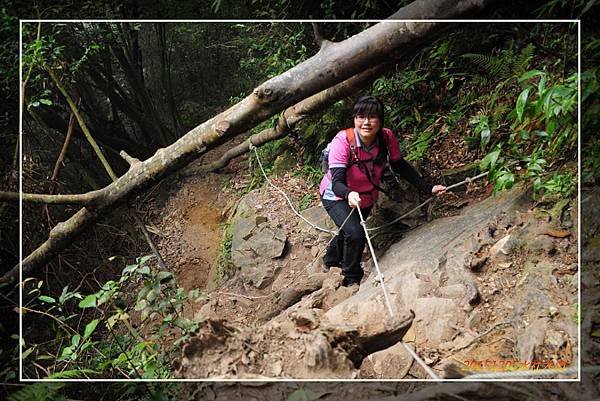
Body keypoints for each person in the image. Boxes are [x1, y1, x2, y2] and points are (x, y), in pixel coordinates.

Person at [319, 95, 446, 287]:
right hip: (336, 194)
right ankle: (351, 278)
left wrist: (427, 188)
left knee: (349, 230)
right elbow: (337, 181)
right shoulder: (343, 141)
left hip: (366, 195)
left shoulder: (386, 138)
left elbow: (400, 165)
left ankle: (331, 260)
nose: (366, 122)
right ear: (354, 119)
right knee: (355, 232)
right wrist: (348, 194)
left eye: (372, 117)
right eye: (361, 117)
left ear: (380, 120)